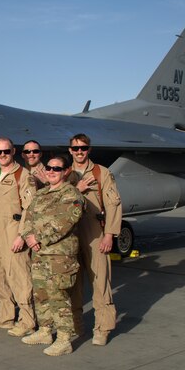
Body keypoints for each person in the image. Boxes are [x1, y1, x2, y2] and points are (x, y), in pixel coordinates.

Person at [20, 155, 84, 356]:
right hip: (39, 253)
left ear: (65, 171)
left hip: (59, 255)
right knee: (41, 294)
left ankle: (64, 339)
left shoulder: (71, 193)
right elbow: (28, 217)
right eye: (49, 168)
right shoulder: (42, 193)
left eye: (57, 169)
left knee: (58, 295)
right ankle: (45, 331)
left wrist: (39, 238)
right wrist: (29, 237)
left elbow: (66, 222)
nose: (51, 171)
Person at [67, 133, 121, 346]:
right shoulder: (65, 173)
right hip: (70, 232)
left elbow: (113, 204)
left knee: (100, 281)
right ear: (70, 150)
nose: (79, 152)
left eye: (83, 148)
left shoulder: (101, 173)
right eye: (75, 148)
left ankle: (102, 328)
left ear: (89, 149)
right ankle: (76, 325)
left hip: (94, 232)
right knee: (73, 284)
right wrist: (76, 189)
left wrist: (109, 234)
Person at [0, 137, 35, 337]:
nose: (2, 155)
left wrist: (22, 235)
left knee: (19, 276)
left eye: (6, 151)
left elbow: (30, 209)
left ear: (13, 151)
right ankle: (5, 316)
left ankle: (27, 320)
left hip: (13, 231)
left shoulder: (23, 176)